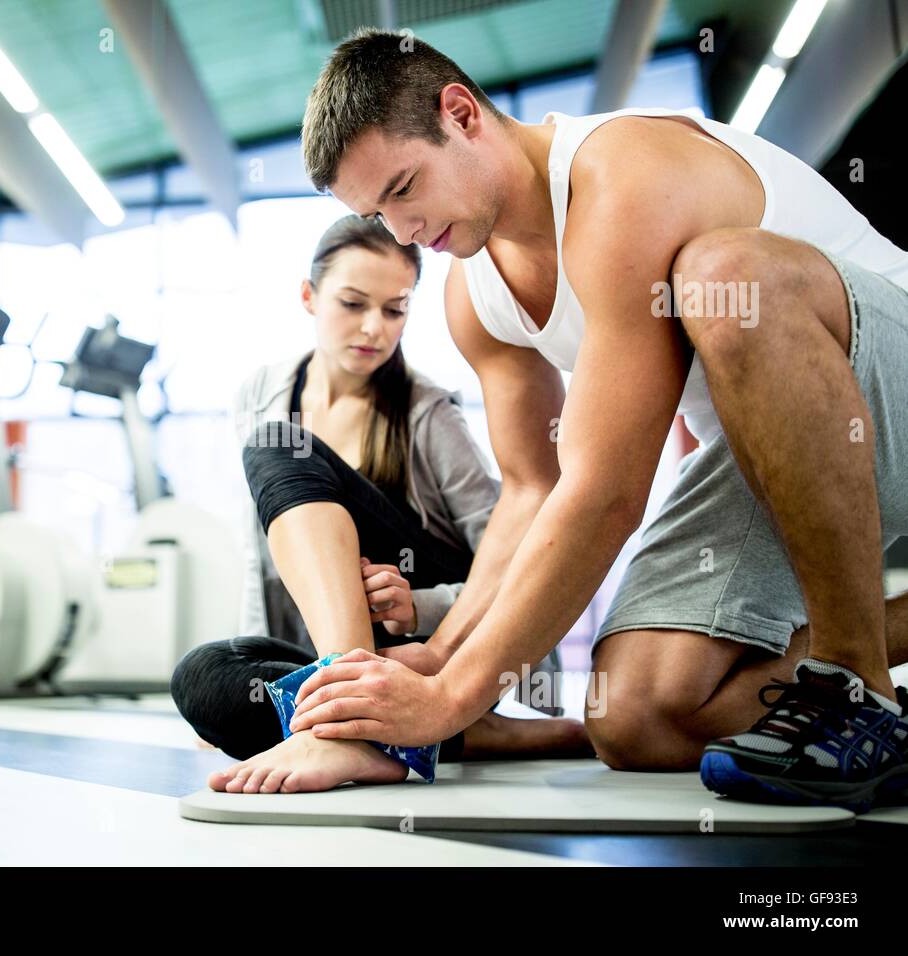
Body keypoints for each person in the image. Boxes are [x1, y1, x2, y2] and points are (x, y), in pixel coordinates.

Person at [268, 28, 908, 811]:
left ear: (461, 114)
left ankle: (857, 685)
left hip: (889, 381)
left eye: (403, 189)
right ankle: (869, 659)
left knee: (723, 276)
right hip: (774, 460)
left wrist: (451, 702)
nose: (402, 233)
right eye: (376, 212)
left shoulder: (622, 176)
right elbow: (535, 490)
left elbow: (606, 491)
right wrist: (439, 655)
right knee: (637, 717)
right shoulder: (475, 293)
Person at [170, 214, 588, 794]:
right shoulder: (261, 392)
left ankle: (349, 722)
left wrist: (420, 606)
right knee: (204, 679)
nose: (374, 328)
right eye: (353, 303)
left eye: (395, 309)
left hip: (438, 652)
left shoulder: (427, 414)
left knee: (277, 445)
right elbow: (258, 558)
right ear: (309, 297)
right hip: (363, 661)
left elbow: (522, 564)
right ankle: (481, 735)